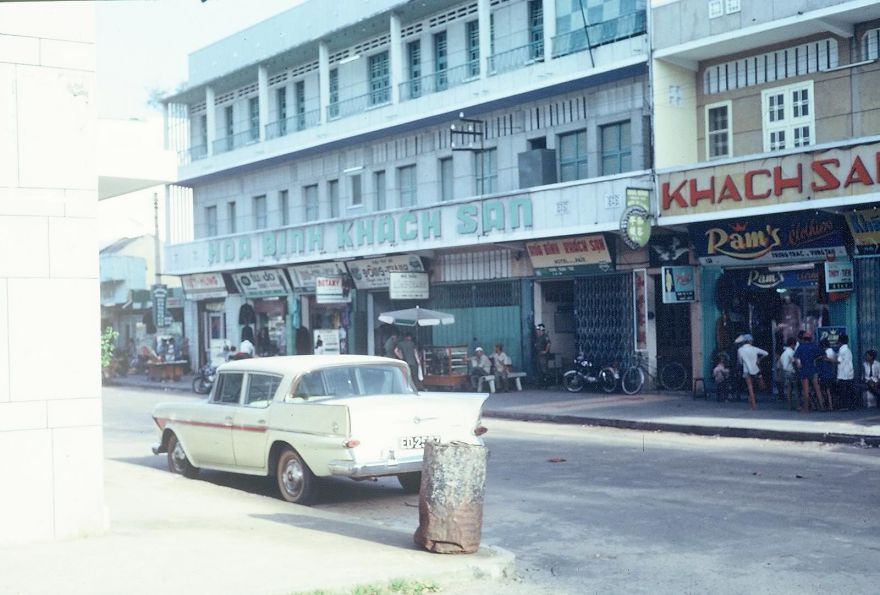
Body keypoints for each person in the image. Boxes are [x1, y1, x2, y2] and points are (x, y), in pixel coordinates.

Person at [736, 334, 767, 410]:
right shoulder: (754, 349)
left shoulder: (740, 350)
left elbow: (740, 361)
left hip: (746, 370)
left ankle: (753, 405)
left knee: (750, 387)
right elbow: (766, 353)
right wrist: (759, 359)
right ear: (750, 341)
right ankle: (753, 404)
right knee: (756, 386)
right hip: (755, 369)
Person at [794, 332, 823, 412]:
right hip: (813, 369)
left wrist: (799, 364)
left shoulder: (800, 347)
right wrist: (815, 359)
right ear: (810, 339)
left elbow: (796, 358)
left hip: (804, 370)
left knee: (806, 390)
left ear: (803, 339)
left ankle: (806, 408)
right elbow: (822, 355)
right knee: (817, 389)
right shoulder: (814, 346)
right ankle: (822, 406)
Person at [778, 337, 798, 410]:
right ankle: (798, 405)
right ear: (793, 344)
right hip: (792, 372)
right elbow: (794, 362)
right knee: (796, 389)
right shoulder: (791, 352)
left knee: (789, 389)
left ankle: (789, 405)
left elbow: (780, 363)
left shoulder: (783, 353)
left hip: (785, 372)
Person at [836, 334, 854, 409]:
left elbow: (838, 361)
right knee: (849, 390)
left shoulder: (842, 349)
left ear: (840, 341)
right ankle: (850, 406)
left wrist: (828, 359)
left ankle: (844, 406)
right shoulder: (848, 350)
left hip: (843, 374)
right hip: (849, 373)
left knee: (843, 391)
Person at [817, 338, 836, 411]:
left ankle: (828, 405)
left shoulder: (826, 353)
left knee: (825, 391)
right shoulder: (832, 352)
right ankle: (830, 405)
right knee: (828, 391)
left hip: (825, 374)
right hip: (830, 374)